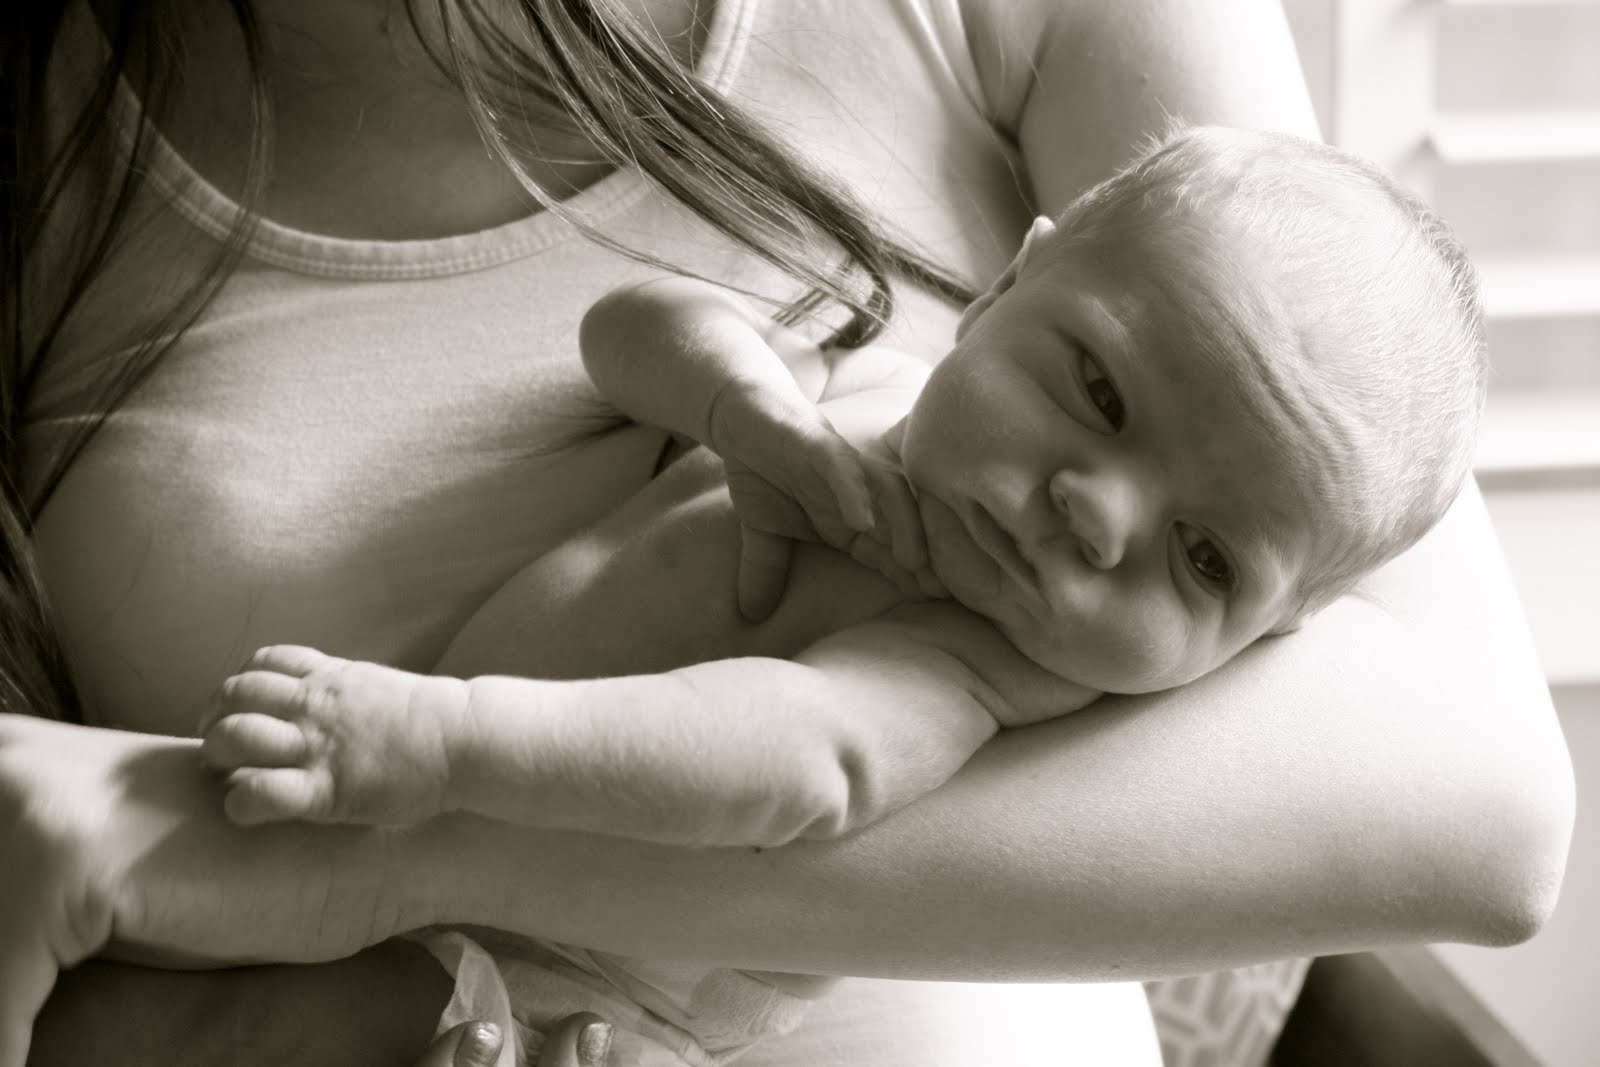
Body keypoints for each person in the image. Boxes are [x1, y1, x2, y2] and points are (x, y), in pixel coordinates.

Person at [0, 1, 1573, 1066]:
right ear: (1008, 283)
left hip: (545, 995)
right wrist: (737, 395)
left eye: (1205, 561)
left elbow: (785, 765)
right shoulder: (873, 396)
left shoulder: (969, 659)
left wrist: (446, 753)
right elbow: (621, 337)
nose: (1101, 512)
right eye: (1094, 388)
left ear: (1274, 639)